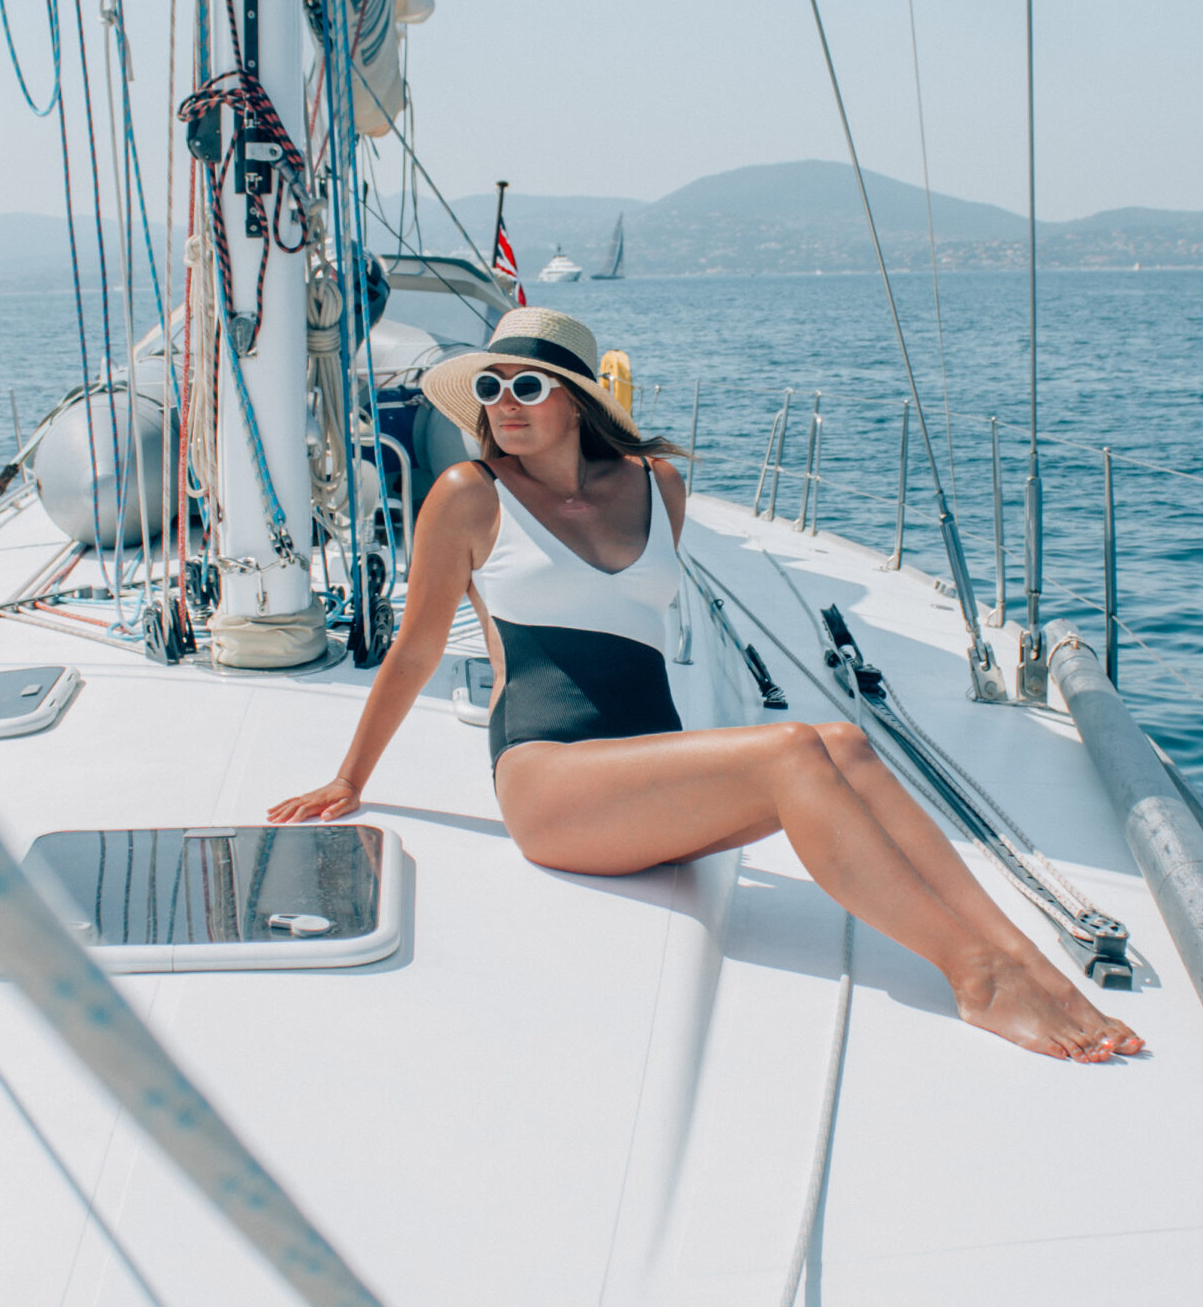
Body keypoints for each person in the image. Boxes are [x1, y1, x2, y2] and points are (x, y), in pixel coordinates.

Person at [268, 309, 1141, 1062]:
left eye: (525, 388)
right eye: (489, 390)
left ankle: (1015, 954)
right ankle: (975, 975)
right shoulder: (468, 494)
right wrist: (352, 779)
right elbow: (417, 649)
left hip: (651, 772)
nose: (503, 407)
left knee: (843, 741)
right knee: (799, 747)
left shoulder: (656, 485)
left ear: (576, 399)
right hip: (550, 781)